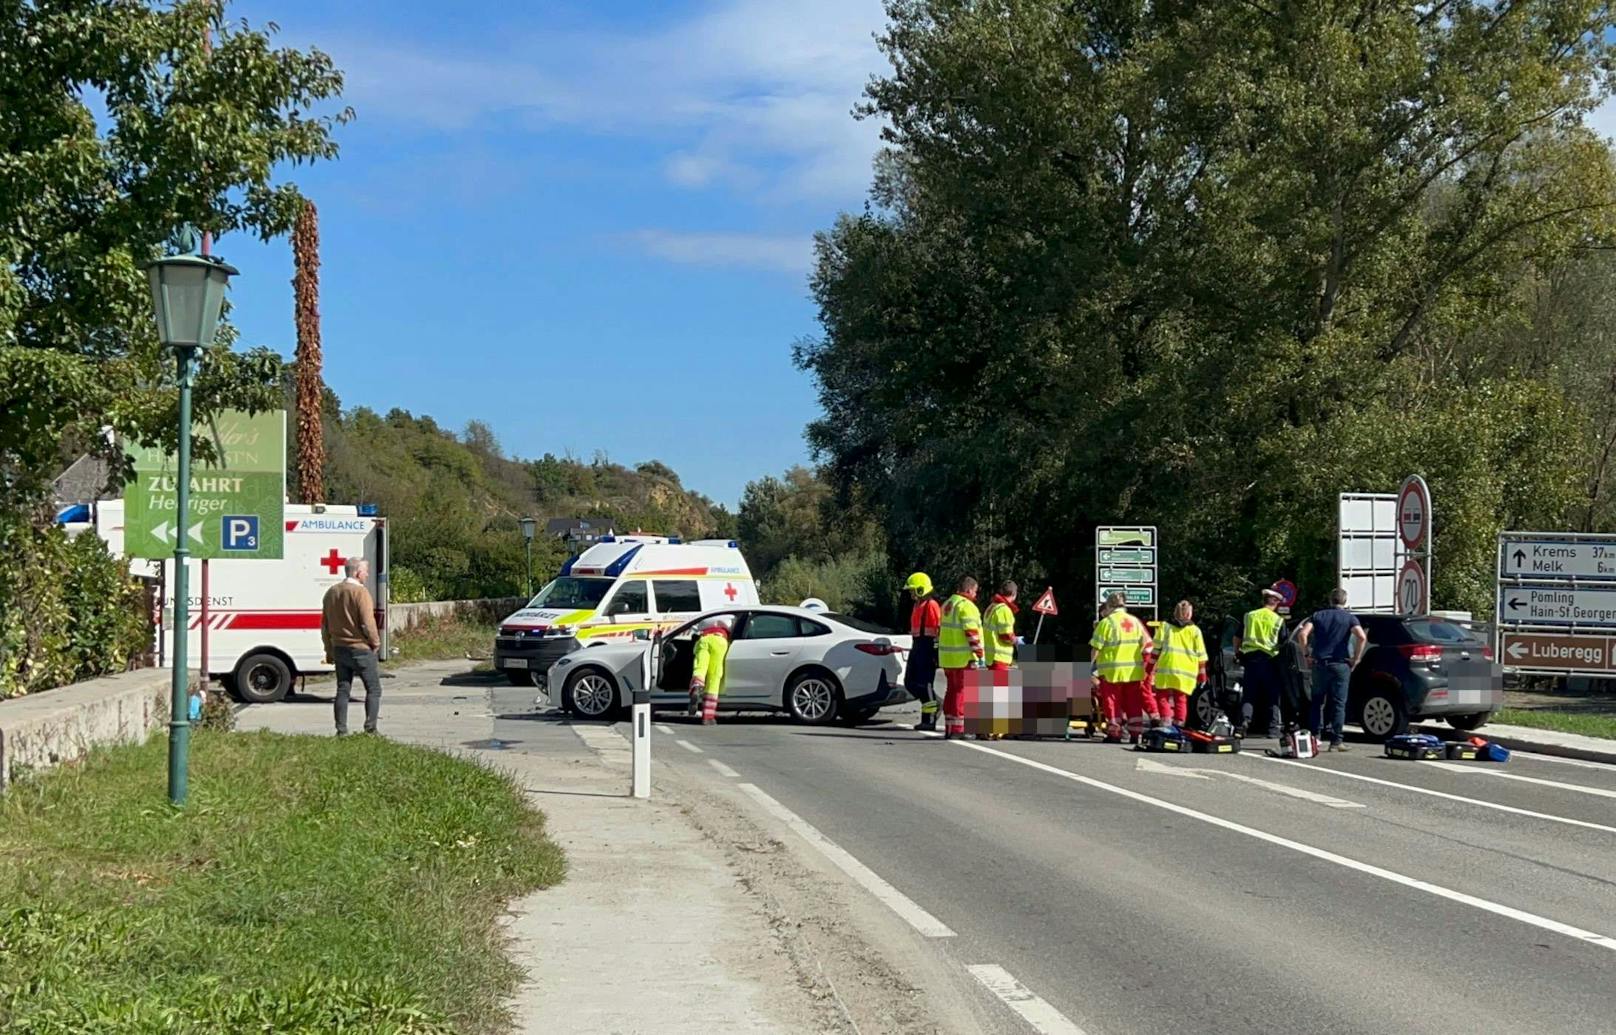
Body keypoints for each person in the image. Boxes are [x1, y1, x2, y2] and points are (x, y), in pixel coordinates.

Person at [1298, 588, 1369, 751]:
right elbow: (1361, 637)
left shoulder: (1317, 616)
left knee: (1317, 701)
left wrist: (1306, 654)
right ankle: (1336, 741)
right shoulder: (1350, 618)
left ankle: (1314, 737)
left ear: (1330, 600)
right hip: (1341, 664)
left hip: (1320, 663)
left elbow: (1303, 634)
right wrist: (1356, 658)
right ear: (1345, 601)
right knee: (1338, 703)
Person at [322, 557, 382, 736]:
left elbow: (324, 624)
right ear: (357, 572)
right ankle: (370, 729)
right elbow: (367, 622)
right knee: (373, 689)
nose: (368, 574)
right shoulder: (361, 593)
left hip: (339, 648)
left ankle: (341, 730)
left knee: (342, 688)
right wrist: (375, 642)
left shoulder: (331, 592)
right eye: (366, 570)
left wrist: (329, 649)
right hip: (360, 648)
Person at [1091, 592, 1153, 744]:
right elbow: (1147, 645)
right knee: (1133, 702)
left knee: (1112, 702)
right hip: (1133, 671)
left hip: (1112, 671)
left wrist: (1088, 667)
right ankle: (1135, 734)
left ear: (1109, 606)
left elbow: (1096, 648)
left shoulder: (1106, 623)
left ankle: (1115, 733)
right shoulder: (1135, 621)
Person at [1232, 587, 1285, 737]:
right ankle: (1273, 729)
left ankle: (1243, 725)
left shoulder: (1249, 616)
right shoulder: (1278, 620)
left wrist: (1237, 653)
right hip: (1270, 661)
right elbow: (1284, 643)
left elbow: (1237, 638)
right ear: (1275, 604)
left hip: (1250, 661)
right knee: (1272, 696)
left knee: (1249, 695)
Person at [938, 576, 984, 740]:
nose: (975, 595)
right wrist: (979, 652)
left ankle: (950, 726)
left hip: (948, 657)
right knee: (961, 692)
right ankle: (959, 728)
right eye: (975, 591)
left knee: (951, 690)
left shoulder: (947, 604)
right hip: (964, 657)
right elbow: (971, 632)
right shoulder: (967, 606)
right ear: (969, 590)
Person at [1153, 600, 1208, 728]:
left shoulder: (1165, 627)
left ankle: (1166, 721)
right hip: (1186, 672)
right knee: (1181, 698)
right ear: (1189, 614)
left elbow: (1155, 650)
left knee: (1162, 695)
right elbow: (1201, 656)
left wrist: (1150, 668)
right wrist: (1202, 675)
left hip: (1167, 668)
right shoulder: (1195, 631)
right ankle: (1179, 723)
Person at [905, 572, 943, 732]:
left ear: (921, 589)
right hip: (917, 645)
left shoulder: (931, 605)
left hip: (928, 647)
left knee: (925, 683)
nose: (911, 594)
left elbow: (938, 629)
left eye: (913, 590)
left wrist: (935, 651)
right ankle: (936, 703)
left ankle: (929, 720)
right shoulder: (918, 605)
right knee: (910, 682)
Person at [690, 615, 733, 726]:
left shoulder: (708, 617)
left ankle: (696, 686)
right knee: (714, 677)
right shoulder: (730, 617)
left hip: (704, 638)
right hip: (720, 640)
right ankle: (708, 717)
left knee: (700, 667)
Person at [983, 581, 1020, 670]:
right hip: (999, 656)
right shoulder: (1004, 610)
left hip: (990, 656)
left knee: (993, 683)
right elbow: (1006, 635)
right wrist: (1016, 640)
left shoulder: (992, 606)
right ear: (1014, 594)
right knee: (1000, 684)